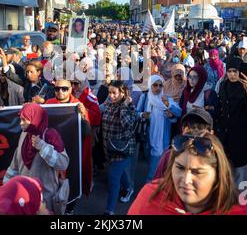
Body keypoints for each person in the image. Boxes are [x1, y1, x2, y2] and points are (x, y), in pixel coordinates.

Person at [128, 133, 247, 215]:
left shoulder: (242, 211)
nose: (186, 180)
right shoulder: (150, 197)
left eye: (197, 172)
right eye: (179, 167)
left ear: (218, 174)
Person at [3, 103, 69, 214]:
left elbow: (63, 163)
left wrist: (43, 147)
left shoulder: (50, 136)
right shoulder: (24, 136)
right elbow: (15, 165)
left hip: (45, 200)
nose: (21, 124)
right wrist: (7, 188)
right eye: (20, 119)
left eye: (24, 120)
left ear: (35, 119)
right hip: (24, 198)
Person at [218, 57, 247, 206]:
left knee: (241, 173)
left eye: (235, 71)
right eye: (229, 71)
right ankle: (227, 201)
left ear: (239, 71)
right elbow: (221, 109)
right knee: (226, 169)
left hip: (242, 136)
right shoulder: (223, 85)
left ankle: (240, 206)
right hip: (225, 135)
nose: (232, 75)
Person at [45, 79, 92, 214]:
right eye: (57, 88)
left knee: (72, 180)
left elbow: (87, 133)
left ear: (70, 90)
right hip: (53, 150)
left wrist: (83, 117)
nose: (60, 91)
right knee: (52, 181)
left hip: (72, 151)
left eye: (64, 89)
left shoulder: (78, 106)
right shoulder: (49, 104)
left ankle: (70, 208)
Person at [101, 81, 138, 215]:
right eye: (109, 92)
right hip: (109, 147)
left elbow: (127, 124)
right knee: (119, 172)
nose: (111, 96)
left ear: (122, 93)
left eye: (114, 93)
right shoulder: (109, 104)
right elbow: (99, 110)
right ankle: (128, 188)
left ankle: (109, 210)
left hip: (122, 149)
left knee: (113, 177)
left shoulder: (129, 107)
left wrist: (124, 106)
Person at [137, 75, 182, 182]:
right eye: (155, 85)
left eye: (160, 85)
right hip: (148, 139)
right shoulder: (145, 98)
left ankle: (152, 191)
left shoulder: (166, 98)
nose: (158, 88)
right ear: (150, 85)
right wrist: (143, 115)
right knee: (154, 166)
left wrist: (170, 109)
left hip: (163, 140)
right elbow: (136, 113)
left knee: (156, 170)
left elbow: (179, 112)